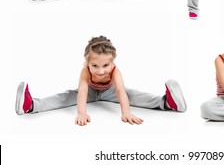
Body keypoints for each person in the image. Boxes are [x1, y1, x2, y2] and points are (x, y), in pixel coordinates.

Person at [15, 36, 186, 126]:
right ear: (87, 63)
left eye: (105, 65)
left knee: (133, 95)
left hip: (111, 92)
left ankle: (168, 104)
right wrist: (81, 113)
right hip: (89, 92)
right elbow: (82, 91)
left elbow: (120, 91)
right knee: (64, 97)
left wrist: (125, 112)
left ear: (112, 63)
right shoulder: (85, 71)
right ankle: (31, 106)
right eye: (94, 65)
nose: (101, 70)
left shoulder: (115, 72)